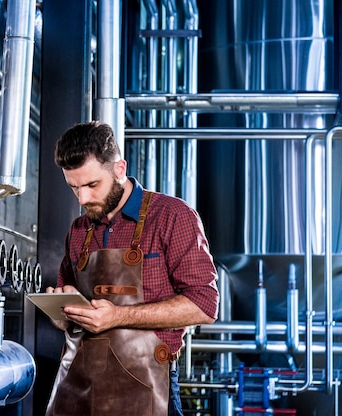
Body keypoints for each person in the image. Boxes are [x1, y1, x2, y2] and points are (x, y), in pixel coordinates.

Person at [44, 121, 219, 416]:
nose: (83, 199)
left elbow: (204, 306)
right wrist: (64, 313)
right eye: (74, 188)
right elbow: (68, 319)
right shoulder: (78, 230)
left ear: (119, 169)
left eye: (91, 185)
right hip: (82, 390)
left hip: (149, 387)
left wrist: (117, 316)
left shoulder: (172, 216)